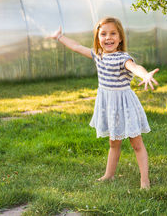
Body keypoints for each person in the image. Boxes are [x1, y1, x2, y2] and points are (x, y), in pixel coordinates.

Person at [47, 17, 158, 189]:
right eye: (103, 34)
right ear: (98, 38)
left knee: (136, 144)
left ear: (120, 38)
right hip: (109, 107)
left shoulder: (123, 58)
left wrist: (145, 75)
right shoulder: (98, 56)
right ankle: (109, 175)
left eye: (113, 33)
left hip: (125, 107)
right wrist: (60, 37)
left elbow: (135, 68)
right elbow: (77, 47)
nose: (108, 38)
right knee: (113, 143)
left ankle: (145, 180)